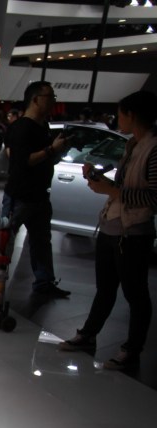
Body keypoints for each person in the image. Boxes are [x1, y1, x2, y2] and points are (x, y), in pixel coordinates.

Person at [60, 90, 157, 371]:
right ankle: (88, 335)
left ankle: (132, 349)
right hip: (112, 225)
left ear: (132, 115)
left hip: (133, 232)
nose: (119, 119)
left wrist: (112, 189)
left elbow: (152, 197)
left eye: (121, 114)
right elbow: (124, 188)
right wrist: (101, 180)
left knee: (135, 294)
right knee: (105, 288)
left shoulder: (152, 149)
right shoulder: (133, 146)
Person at [3, 80, 71, 298]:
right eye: (49, 97)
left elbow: (44, 160)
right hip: (20, 195)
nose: (53, 102)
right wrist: (51, 149)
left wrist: (56, 151)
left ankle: (44, 282)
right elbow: (23, 161)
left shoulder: (43, 126)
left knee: (41, 241)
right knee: (6, 239)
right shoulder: (22, 127)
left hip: (39, 194)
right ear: (35, 99)